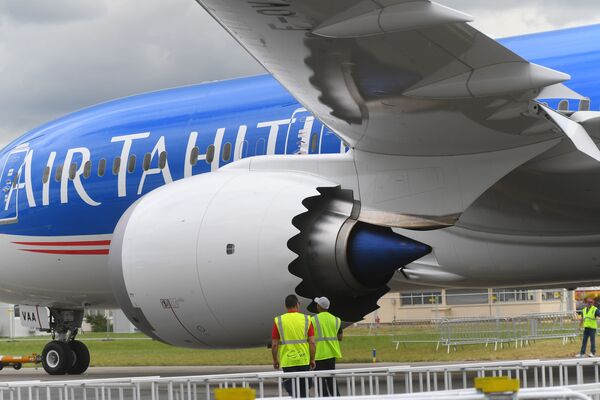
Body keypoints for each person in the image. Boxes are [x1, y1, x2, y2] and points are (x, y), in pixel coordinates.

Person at [272, 294, 316, 397]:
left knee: (293, 392)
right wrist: (312, 359)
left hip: (288, 362)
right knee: (304, 391)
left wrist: (275, 360)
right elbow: (312, 342)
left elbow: (274, 345)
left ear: (286, 306)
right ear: (297, 305)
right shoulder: (306, 319)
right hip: (303, 360)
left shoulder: (279, 321)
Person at [311, 296, 343, 397]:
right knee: (331, 380)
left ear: (319, 306)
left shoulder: (313, 320)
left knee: (320, 382)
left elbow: (310, 338)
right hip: (332, 354)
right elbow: (340, 337)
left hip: (319, 355)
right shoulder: (336, 320)